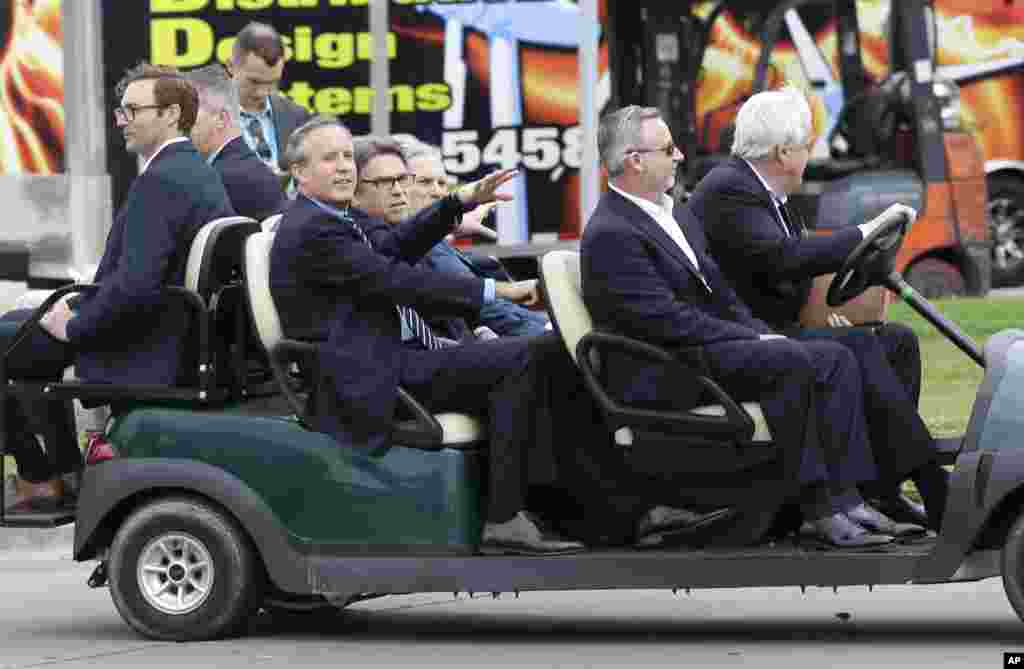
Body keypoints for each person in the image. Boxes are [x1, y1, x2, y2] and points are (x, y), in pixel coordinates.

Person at [582, 105, 912, 549]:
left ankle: (848, 496)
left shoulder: (672, 213)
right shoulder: (611, 232)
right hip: (661, 369)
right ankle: (818, 506)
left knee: (832, 356)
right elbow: (664, 319)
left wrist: (756, 328)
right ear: (635, 160)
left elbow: (720, 292)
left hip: (695, 350)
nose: (679, 155)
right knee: (790, 360)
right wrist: (752, 338)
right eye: (667, 148)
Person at [268, 115, 585, 554]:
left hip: (382, 356)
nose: (343, 167)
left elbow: (394, 249)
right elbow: (393, 278)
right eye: (329, 159)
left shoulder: (330, 217)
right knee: (521, 358)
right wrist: (496, 290)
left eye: (346, 157)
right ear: (299, 171)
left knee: (540, 353)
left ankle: (560, 504)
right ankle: (505, 516)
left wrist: (457, 202)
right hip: (367, 373)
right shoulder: (312, 229)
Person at [687, 86, 948, 530]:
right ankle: (931, 482)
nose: (810, 154)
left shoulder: (766, 194)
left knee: (896, 342)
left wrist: (861, 254)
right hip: (746, 339)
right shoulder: (730, 188)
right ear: (783, 151)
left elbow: (793, 259)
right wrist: (863, 231)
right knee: (859, 349)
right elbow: (782, 258)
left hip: (773, 327)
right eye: (806, 145)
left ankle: (884, 489)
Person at [1, 63, 234, 511]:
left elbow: (136, 285)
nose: (122, 120)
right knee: (17, 327)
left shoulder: (162, 180)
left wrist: (73, 326)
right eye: (120, 111)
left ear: (170, 114)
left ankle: (39, 475)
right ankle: (62, 470)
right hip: (163, 329)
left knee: (10, 339)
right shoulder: (194, 170)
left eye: (132, 110)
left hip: (146, 340)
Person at [399, 140, 550, 337]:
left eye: (442, 183)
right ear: (399, 186)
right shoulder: (418, 247)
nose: (437, 191)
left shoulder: (434, 238)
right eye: (425, 182)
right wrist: (547, 330)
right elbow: (484, 309)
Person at [184, 63, 285, 222]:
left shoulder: (216, 180)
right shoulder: (250, 168)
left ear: (221, 119)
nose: (180, 123)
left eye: (188, 112)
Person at [226, 22, 312, 174]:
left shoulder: (298, 117)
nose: (262, 92)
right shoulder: (203, 118)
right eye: (254, 81)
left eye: (273, 82)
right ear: (230, 66)